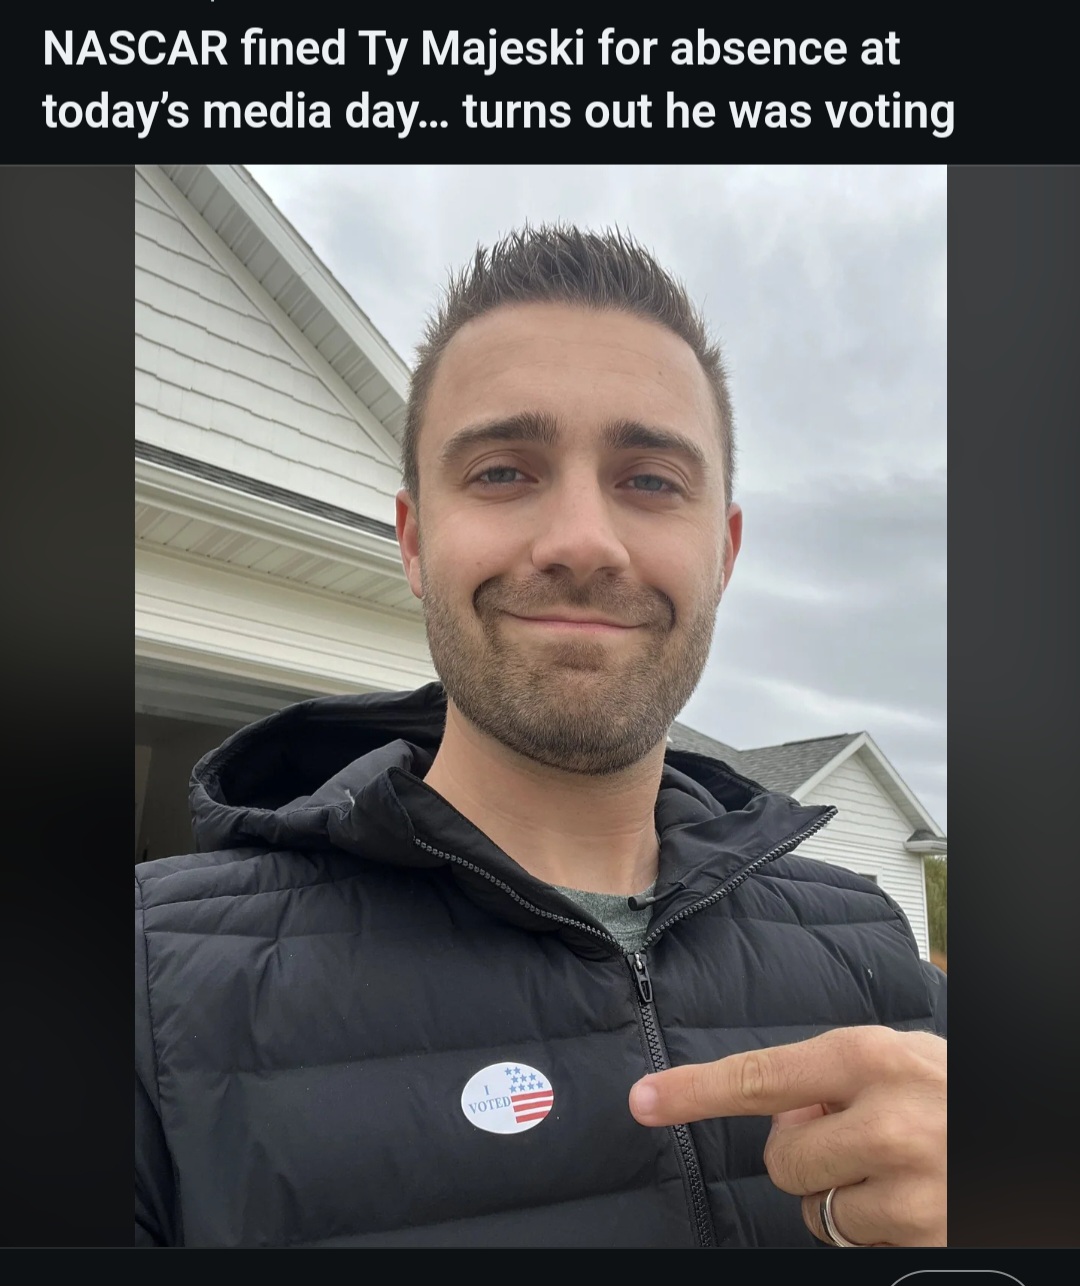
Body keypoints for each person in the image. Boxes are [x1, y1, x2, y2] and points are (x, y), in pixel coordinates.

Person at [135, 224, 946, 1249]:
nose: (581, 542)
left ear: (724, 551)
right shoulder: (150, 983)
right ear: (415, 540)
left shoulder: (872, 948)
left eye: (650, 480)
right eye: (502, 472)